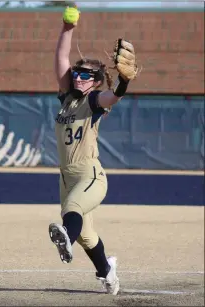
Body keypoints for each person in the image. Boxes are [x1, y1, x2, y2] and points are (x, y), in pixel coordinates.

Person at [48, 6, 136, 296]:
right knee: (87, 235)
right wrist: (67, 27)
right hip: (67, 178)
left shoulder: (94, 100)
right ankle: (107, 272)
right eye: (77, 74)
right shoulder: (67, 99)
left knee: (71, 214)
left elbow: (114, 97)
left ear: (96, 81)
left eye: (86, 76)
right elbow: (61, 58)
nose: (78, 79)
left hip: (90, 175)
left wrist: (123, 82)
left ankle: (66, 243)